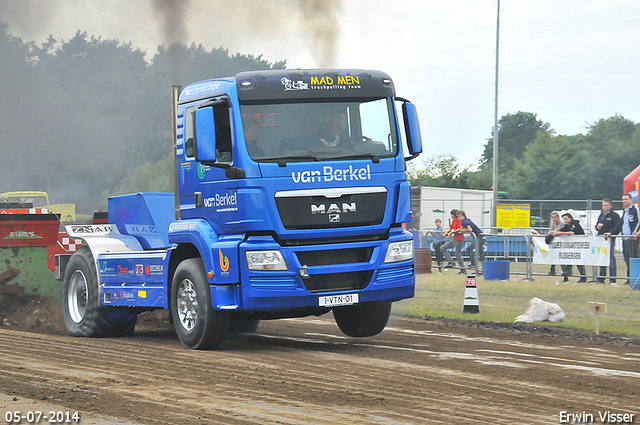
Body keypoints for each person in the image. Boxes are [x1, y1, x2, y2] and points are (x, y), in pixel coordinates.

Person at [605, 193, 639, 285]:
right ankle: (629, 279)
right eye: (623, 199)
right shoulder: (624, 211)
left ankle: (635, 278)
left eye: (626, 199)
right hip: (624, 239)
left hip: (633, 239)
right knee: (627, 259)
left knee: (633, 258)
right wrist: (612, 233)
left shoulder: (635, 209)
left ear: (631, 199)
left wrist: (635, 233)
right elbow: (620, 224)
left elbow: (638, 221)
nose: (624, 201)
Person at [551, 212, 587, 283]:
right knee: (566, 259)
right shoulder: (566, 225)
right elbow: (561, 231)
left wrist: (561, 233)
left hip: (579, 246)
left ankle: (583, 277)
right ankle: (566, 277)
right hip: (571, 247)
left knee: (579, 262)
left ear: (570, 218)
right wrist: (554, 233)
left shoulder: (575, 224)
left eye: (566, 219)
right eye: (564, 219)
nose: (565, 220)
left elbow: (573, 232)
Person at [595, 198, 619, 286]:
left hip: (609, 239)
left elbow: (617, 227)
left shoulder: (614, 215)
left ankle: (613, 279)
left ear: (610, 206)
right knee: (602, 258)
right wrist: (597, 227)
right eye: (603, 205)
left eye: (606, 205)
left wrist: (611, 233)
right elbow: (597, 224)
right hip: (601, 239)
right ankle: (601, 277)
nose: (604, 207)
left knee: (611, 259)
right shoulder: (601, 215)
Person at [441, 209, 465, 274]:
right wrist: (446, 232)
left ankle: (463, 269)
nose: (451, 216)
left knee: (458, 255)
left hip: (459, 240)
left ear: (454, 215)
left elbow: (459, 228)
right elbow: (450, 228)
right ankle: (451, 262)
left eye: (451, 214)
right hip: (454, 239)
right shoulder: (453, 221)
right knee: (442, 248)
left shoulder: (458, 220)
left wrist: (451, 233)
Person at [547, 211, 562, 276]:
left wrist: (553, 232)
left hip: (561, 243)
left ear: (558, 217)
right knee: (552, 255)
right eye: (552, 217)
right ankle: (552, 270)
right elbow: (551, 230)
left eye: (555, 217)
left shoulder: (562, 223)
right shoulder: (553, 223)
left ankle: (564, 272)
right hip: (554, 243)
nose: (553, 219)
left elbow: (557, 230)